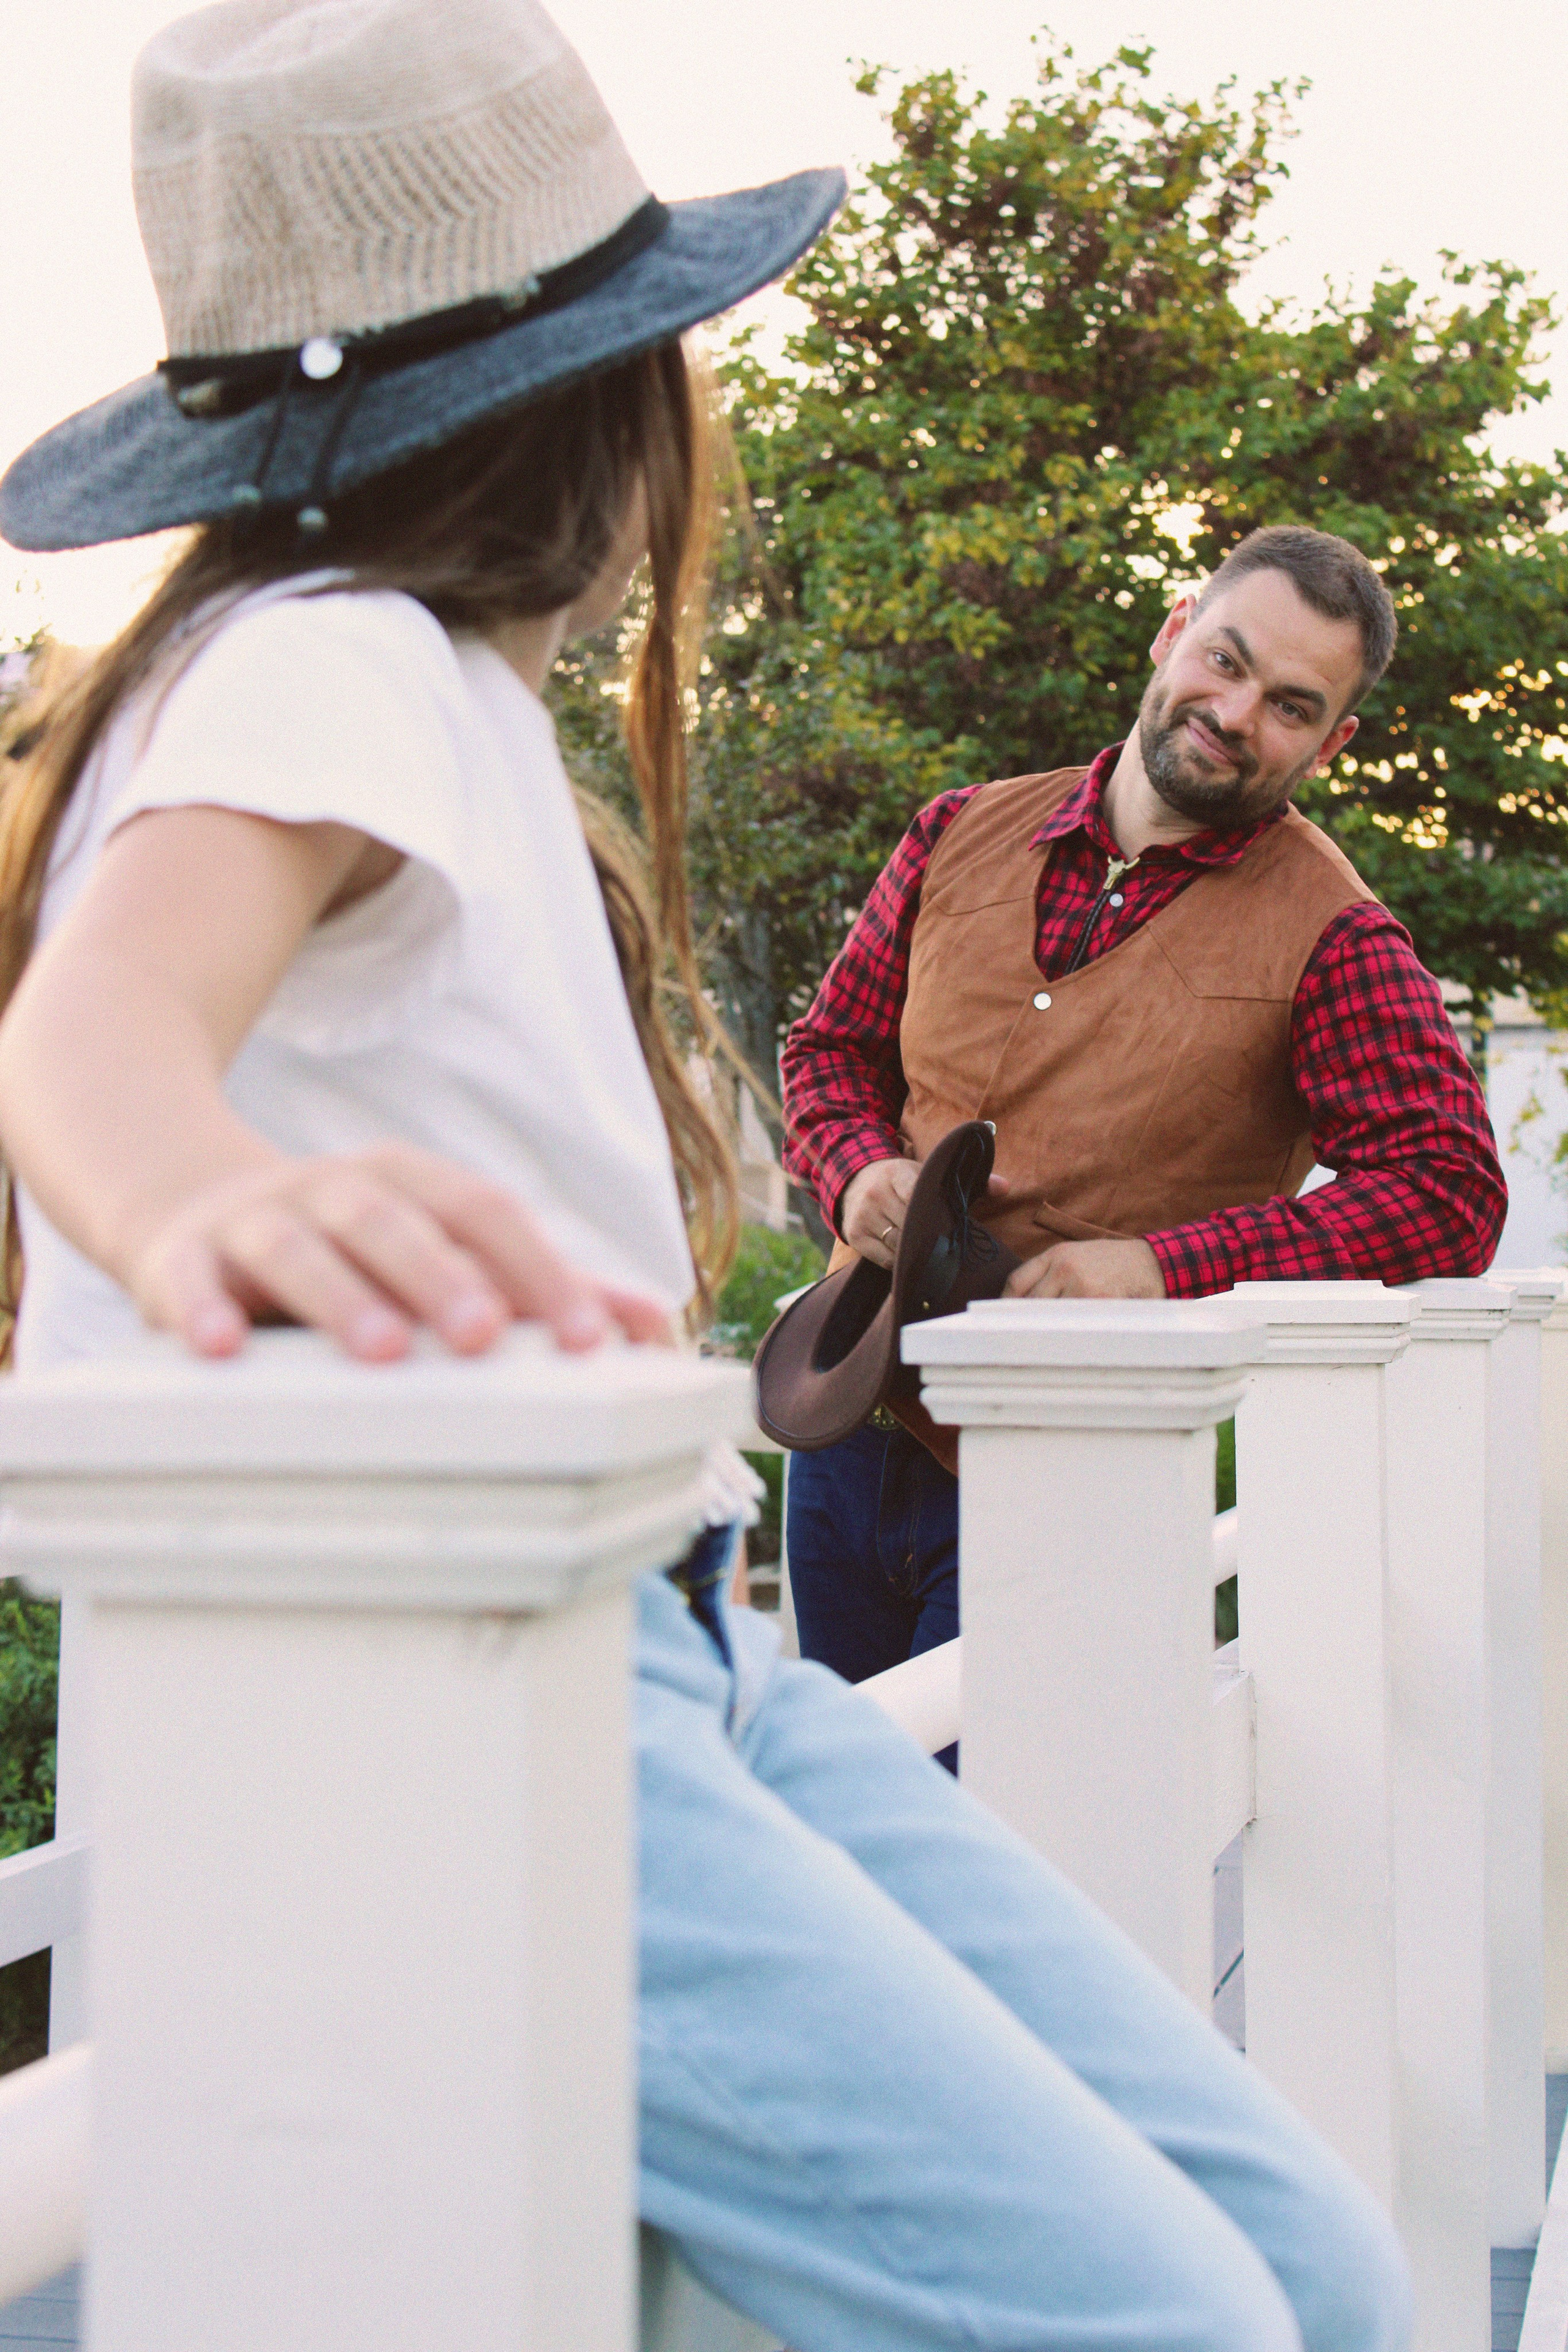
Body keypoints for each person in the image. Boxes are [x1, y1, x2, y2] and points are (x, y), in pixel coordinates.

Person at [0, 5, 1411, 2346]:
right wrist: (196, 1206)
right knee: (1189, 2321)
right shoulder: (334, 658)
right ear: (604, 389)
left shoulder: (404, 681)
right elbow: (92, 1032)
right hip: (488, 1715)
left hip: (681, 1666)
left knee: (1313, 2272)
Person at [780, 527, 1507, 1691]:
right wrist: (857, 1171)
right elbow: (830, 1051)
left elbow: (1450, 1194)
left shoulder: (1338, 932)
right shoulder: (956, 828)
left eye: (1290, 704)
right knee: (841, 1849)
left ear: (1332, 741)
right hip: (843, 1434)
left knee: (990, 1852)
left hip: (1075, 1466)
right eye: (1226, 660)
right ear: (1176, 632)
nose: (1235, 712)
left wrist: (1165, 1267)